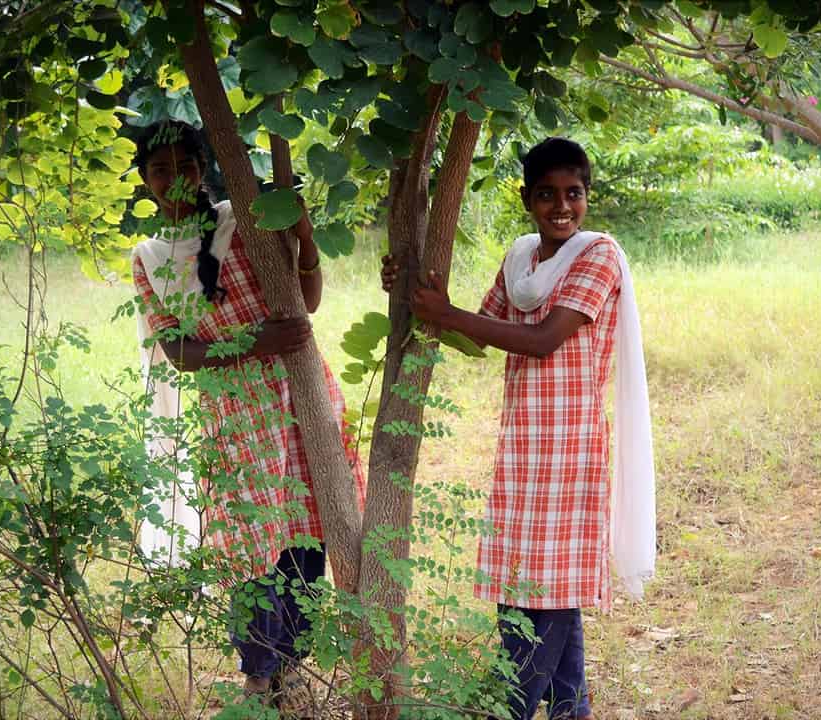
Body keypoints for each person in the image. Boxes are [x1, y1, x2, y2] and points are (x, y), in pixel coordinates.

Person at [382, 137, 655, 720]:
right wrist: (413, 294)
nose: (562, 206)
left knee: (549, 594)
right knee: (526, 588)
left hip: (569, 449)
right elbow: (479, 333)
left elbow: (540, 340)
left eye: (573, 194)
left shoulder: (598, 254)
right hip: (524, 451)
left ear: (588, 195)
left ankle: (511, 710)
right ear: (527, 198)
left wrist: (446, 313)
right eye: (547, 195)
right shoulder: (522, 260)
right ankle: (569, 711)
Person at [130, 120, 364, 697]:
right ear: (145, 181)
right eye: (160, 169)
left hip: (300, 393)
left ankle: (293, 670)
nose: (174, 178)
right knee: (250, 547)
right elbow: (180, 352)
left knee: (306, 532)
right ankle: (258, 678)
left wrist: (306, 241)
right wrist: (259, 343)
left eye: (185, 164)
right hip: (235, 415)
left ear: (203, 167)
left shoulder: (245, 218)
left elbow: (304, 302)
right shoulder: (150, 256)